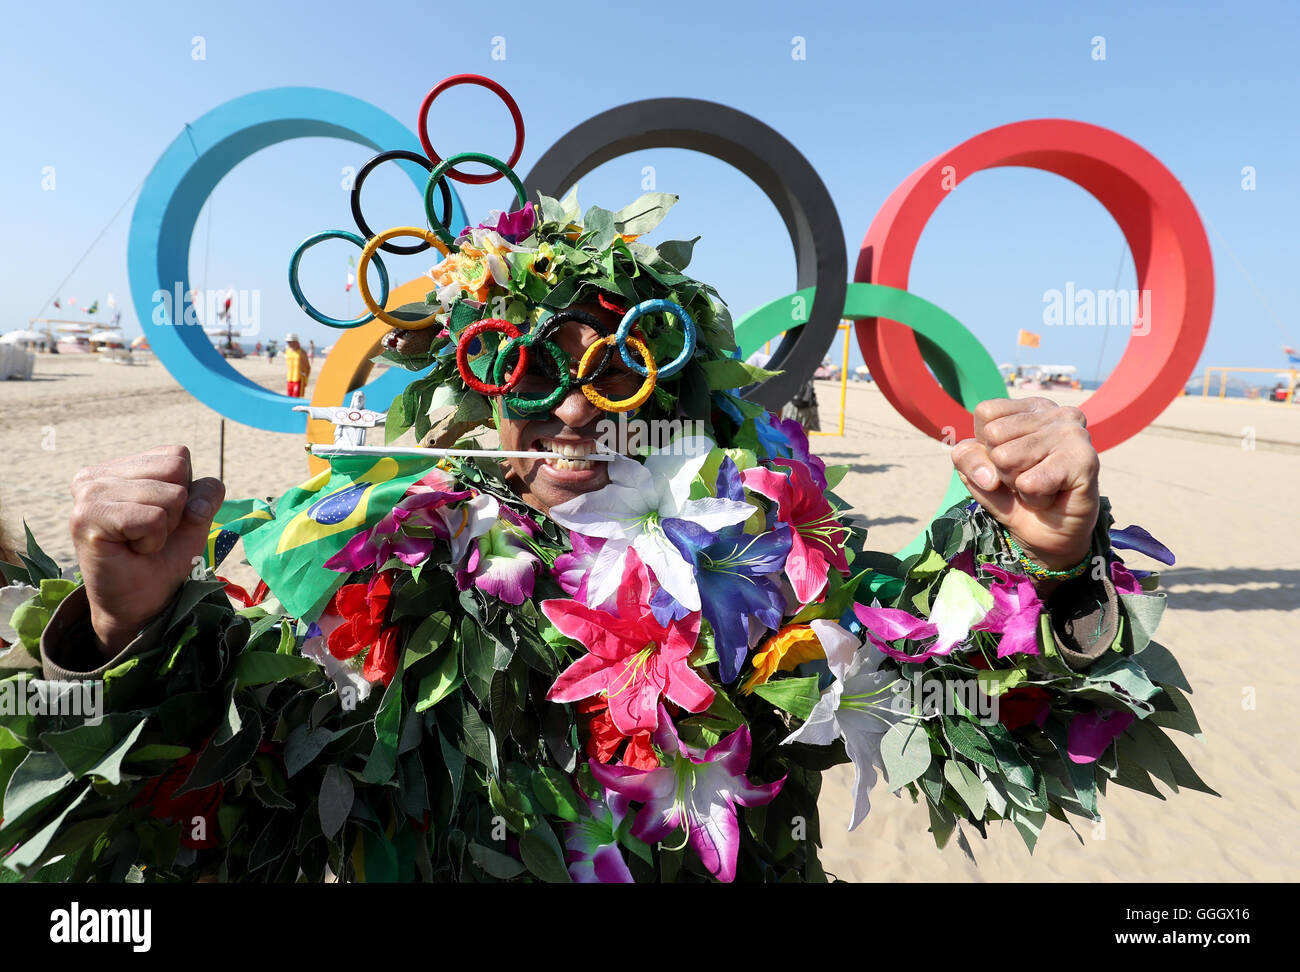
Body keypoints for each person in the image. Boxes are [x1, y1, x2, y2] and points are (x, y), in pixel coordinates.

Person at [5, 188, 1196, 884]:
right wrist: (117, 628)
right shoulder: (349, 563)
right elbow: (181, 820)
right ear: (471, 394)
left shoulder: (765, 555)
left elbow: (966, 702)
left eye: (619, 368)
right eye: (527, 366)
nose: (573, 406)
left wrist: (1044, 555)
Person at [284, 332, 310, 398]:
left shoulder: (301, 352)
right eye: (288, 342)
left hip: (299, 379)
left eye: (290, 342)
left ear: (296, 342)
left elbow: (308, 367)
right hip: (289, 379)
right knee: (289, 398)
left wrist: (306, 380)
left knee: (297, 399)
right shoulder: (287, 351)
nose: (289, 343)